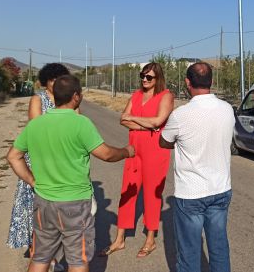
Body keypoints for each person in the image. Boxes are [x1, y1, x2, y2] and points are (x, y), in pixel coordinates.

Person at [6, 75, 135, 272]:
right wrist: (127, 151)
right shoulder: (80, 123)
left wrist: (32, 180)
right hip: (75, 203)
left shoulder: (35, 125)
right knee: (78, 260)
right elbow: (106, 155)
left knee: (40, 257)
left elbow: (13, 157)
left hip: (43, 202)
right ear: (76, 96)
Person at [160, 62, 235, 272]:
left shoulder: (180, 115)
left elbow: (164, 142)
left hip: (191, 194)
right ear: (211, 81)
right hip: (220, 189)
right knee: (219, 248)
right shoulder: (227, 109)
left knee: (189, 254)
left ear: (187, 82)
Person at [100, 62, 175, 258]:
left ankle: (150, 239)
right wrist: (145, 126)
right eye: (142, 76)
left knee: (152, 194)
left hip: (155, 151)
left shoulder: (166, 96)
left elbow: (158, 121)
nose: (144, 79)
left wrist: (136, 120)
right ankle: (119, 239)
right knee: (127, 191)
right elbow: (123, 119)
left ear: (157, 78)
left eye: (149, 77)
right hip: (134, 149)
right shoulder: (136, 95)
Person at [7, 63, 70, 253]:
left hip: (61, 160)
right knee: (36, 207)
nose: (56, 82)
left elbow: (76, 124)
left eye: (60, 79)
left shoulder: (67, 99)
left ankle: (51, 252)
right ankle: (37, 250)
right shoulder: (38, 98)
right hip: (39, 160)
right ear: (47, 81)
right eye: (53, 79)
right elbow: (37, 127)